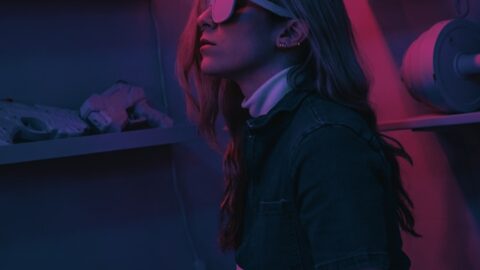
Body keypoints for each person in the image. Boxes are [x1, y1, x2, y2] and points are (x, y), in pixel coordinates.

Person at [176, 0, 420, 269]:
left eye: (227, 5)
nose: (203, 20)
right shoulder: (264, 134)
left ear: (290, 33)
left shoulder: (326, 142)